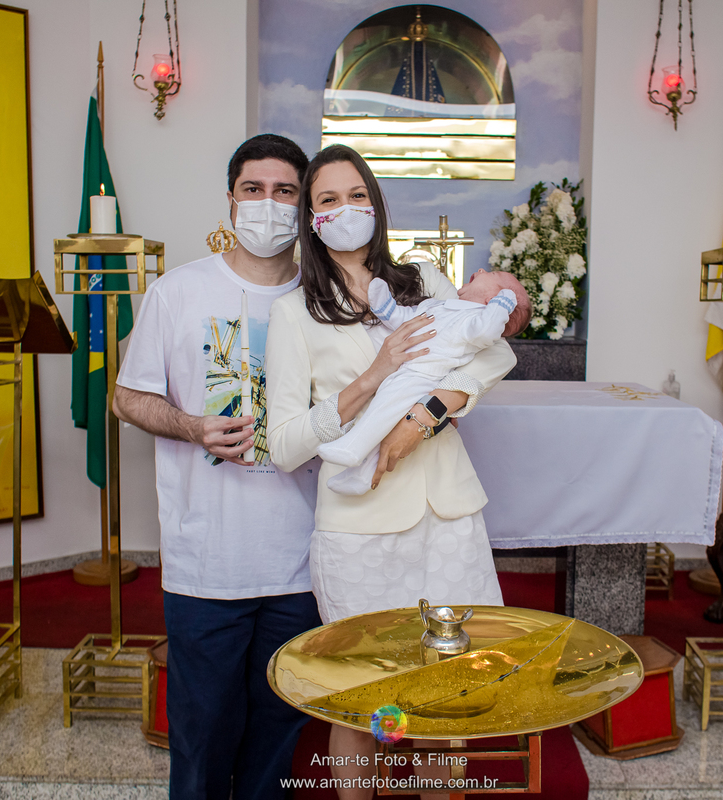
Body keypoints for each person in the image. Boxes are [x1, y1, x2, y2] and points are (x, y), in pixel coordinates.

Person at [264, 144, 517, 798]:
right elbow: (287, 443)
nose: (346, 209)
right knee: (361, 700)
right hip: (359, 530)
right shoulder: (293, 313)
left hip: (446, 519)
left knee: (445, 697)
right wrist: (374, 379)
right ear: (311, 219)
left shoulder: (423, 281)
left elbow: (489, 361)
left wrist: (421, 418)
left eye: (357, 195)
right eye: (327, 199)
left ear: (375, 204)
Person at [112, 133, 321, 800]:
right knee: (201, 747)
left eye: (285, 191)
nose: (268, 204)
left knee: (278, 749)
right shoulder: (179, 292)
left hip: (300, 561)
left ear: (304, 207)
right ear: (230, 200)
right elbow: (126, 396)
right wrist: (192, 424)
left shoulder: (325, 300)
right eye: (253, 190)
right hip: (206, 564)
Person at [319, 271, 532, 495]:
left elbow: (488, 332)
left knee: (384, 408)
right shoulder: (441, 305)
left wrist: (501, 305)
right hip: (406, 370)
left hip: (423, 376)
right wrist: (386, 308)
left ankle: (352, 446)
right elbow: (407, 320)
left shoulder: (477, 319)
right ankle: (361, 477)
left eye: (493, 274)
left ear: (494, 301)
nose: (480, 271)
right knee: (388, 418)